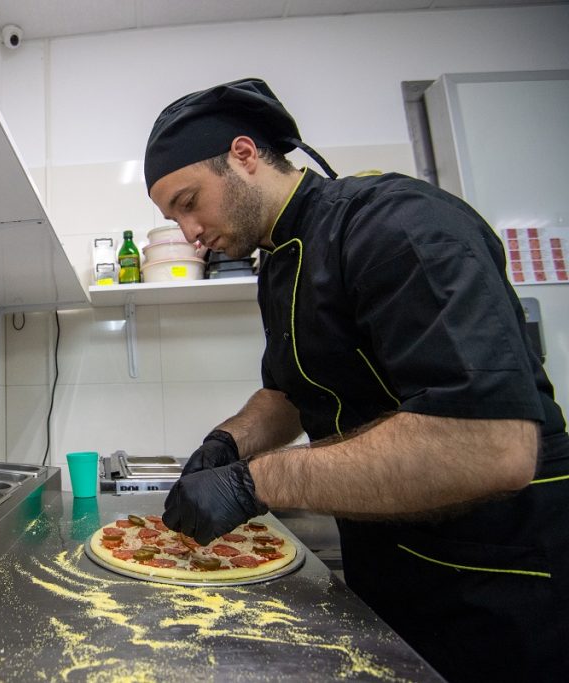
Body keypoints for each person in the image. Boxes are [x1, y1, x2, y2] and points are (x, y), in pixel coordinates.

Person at [145, 78, 569, 682]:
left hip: (493, 578)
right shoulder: (280, 263)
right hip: (389, 564)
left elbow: (493, 446)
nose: (189, 233)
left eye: (189, 202)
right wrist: (228, 443)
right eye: (172, 218)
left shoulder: (397, 225)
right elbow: (291, 393)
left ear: (244, 155)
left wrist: (253, 482)